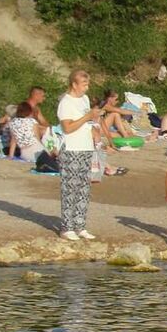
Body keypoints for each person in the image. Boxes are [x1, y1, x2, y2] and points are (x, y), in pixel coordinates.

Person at [57, 70, 102, 241]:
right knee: (70, 188)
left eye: (87, 84)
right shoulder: (66, 103)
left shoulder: (84, 99)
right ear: (74, 84)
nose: (86, 88)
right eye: (84, 84)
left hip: (85, 147)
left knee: (84, 187)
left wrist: (94, 128)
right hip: (71, 149)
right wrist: (87, 117)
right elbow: (67, 128)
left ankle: (80, 225)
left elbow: (87, 121)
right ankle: (67, 227)